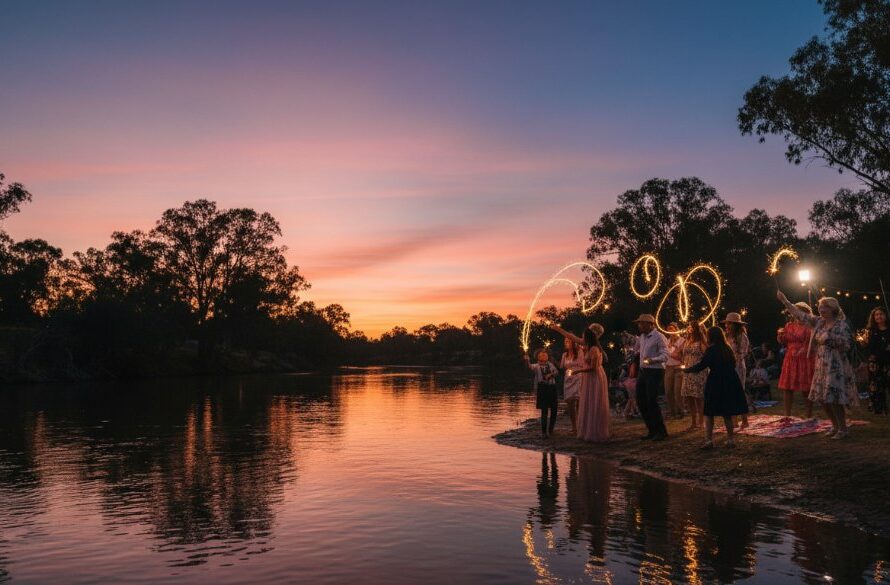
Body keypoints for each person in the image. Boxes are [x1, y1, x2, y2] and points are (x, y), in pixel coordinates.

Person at [777, 291, 858, 439]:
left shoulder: (841, 324)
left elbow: (846, 345)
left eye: (824, 307)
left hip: (835, 364)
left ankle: (843, 429)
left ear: (832, 309)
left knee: (834, 397)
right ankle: (834, 426)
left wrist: (829, 338)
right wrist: (785, 300)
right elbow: (800, 314)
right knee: (822, 398)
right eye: (820, 307)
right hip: (821, 363)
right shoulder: (818, 322)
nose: (821, 309)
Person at [683, 326, 750, 449]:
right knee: (727, 412)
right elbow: (733, 363)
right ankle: (730, 439)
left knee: (709, 412)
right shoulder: (727, 349)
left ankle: (708, 441)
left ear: (710, 337)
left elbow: (703, 364)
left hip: (716, 381)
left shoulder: (711, 350)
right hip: (729, 381)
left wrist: (688, 370)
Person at [551, 323, 611, 442]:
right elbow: (570, 336)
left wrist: (577, 371)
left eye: (584, 335)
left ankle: (595, 431)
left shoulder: (594, 349)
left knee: (594, 402)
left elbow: (593, 368)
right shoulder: (587, 345)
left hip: (594, 377)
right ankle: (585, 429)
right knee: (588, 402)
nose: (581, 338)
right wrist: (558, 329)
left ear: (589, 336)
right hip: (588, 377)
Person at [633, 314, 669, 441]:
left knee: (651, 400)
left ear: (650, 324)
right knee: (641, 400)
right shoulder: (642, 337)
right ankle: (652, 430)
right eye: (639, 323)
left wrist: (653, 360)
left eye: (641, 323)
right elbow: (638, 350)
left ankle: (661, 431)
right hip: (643, 371)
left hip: (655, 371)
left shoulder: (659, 337)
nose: (639, 326)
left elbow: (665, 355)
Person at [777, 302, 816, 419]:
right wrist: (780, 337)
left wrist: (802, 350)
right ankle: (787, 414)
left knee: (806, 388)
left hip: (805, 358)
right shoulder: (789, 325)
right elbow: (784, 341)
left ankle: (808, 414)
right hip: (790, 358)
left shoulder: (809, 326)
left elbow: (810, 342)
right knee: (787, 387)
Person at [723, 313, 751, 429]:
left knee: (739, 392)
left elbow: (743, 353)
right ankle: (734, 420)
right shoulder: (726, 336)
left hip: (738, 367)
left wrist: (733, 359)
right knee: (729, 393)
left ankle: (744, 419)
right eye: (726, 323)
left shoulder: (742, 336)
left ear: (735, 325)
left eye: (729, 323)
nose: (726, 325)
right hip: (727, 367)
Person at [524, 349, 559, 438]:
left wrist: (550, 375)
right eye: (541, 355)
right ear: (538, 357)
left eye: (545, 355)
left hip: (552, 388)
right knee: (544, 411)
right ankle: (544, 432)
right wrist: (527, 360)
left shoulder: (550, 364)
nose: (544, 356)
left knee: (554, 409)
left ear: (548, 357)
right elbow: (529, 367)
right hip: (542, 389)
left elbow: (556, 372)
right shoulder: (536, 366)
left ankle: (551, 430)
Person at [680, 322, 708, 432]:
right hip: (687, 371)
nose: (688, 329)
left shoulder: (701, 341)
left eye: (690, 327)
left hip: (698, 371)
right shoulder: (687, 340)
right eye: (688, 327)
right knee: (689, 397)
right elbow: (682, 353)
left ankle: (701, 421)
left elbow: (705, 354)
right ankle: (693, 422)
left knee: (698, 397)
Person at [864, 307, 890, 415]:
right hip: (875, 363)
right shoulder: (870, 331)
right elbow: (868, 347)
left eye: (881, 314)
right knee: (876, 386)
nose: (879, 316)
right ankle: (879, 408)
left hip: (888, 361)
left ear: (886, 316)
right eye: (876, 315)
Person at [560, 336, 585, 434]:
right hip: (568, 379)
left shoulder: (579, 352)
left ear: (573, 342)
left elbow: (583, 364)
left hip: (578, 377)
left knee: (578, 401)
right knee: (570, 403)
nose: (566, 342)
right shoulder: (564, 355)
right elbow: (562, 366)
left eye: (569, 341)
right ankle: (574, 426)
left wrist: (576, 371)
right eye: (565, 341)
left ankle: (580, 426)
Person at [665, 323, 686, 419]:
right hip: (668, 367)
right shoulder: (667, 341)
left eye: (672, 329)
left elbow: (681, 356)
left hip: (678, 368)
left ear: (676, 330)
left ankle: (680, 411)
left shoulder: (682, 341)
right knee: (668, 391)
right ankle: (671, 412)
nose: (671, 331)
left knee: (677, 391)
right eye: (669, 330)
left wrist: (674, 352)